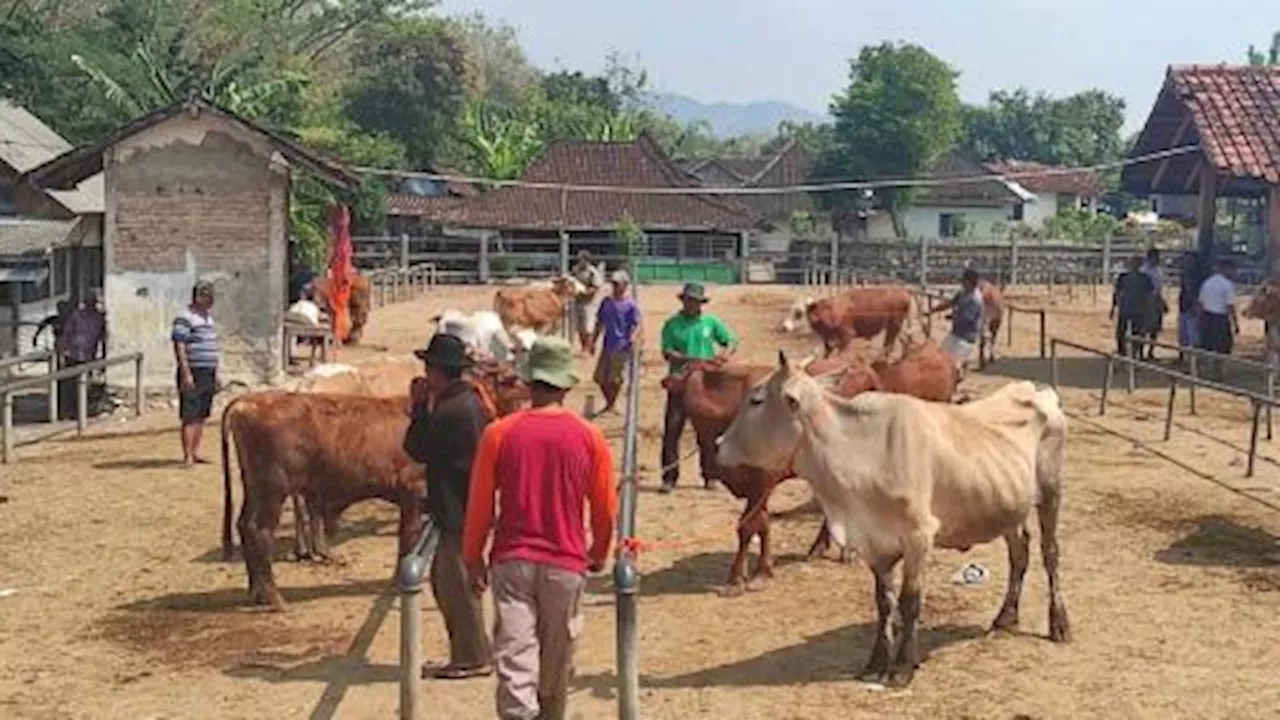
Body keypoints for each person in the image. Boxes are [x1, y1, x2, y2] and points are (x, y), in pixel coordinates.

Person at [462, 337, 617, 720]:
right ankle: (551, 712)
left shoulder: (498, 433)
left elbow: (480, 505)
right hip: (565, 559)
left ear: (529, 384)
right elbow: (603, 508)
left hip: (512, 558)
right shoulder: (590, 437)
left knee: (515, 655)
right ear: (565, 386)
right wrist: (598, 551)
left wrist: (472, 556)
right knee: (558, 654)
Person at [402, 333, 494, 680]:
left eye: (429, 368)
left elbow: (417, 448)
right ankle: (475, 650)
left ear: (440, 372)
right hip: (466, 504)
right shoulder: (467, 404)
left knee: (453, 584)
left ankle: (471, 657)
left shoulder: (449, 411)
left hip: (456, 507)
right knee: (454, 582)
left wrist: (418, 409)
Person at [658, 282, 737, 494]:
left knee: (708, 431)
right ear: (683, 301)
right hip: (681, 381)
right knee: (672, 429)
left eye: (697, 301)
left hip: (706, 382)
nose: (693, 305)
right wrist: (685, 358)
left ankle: (711, 475)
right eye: (690, 301)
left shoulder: (710, 323)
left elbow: (729, 340)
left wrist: (725, 354)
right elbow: (666, 351)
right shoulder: (672, 325)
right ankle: (669, 476)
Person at [172, 281, 219, 465]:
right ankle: (188, 455)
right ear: (199, 297)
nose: (211, 302)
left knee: (202, 413)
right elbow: (180, 345)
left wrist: (216, 372)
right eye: (208, 297)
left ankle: (196, 450)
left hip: (208, 370)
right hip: (194, 370)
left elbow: (211, 346)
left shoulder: (207, 318)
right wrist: (186, 373)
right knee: (190, 414)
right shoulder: (185, 317)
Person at [590, 270, 641, 416]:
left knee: (615, 378)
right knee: (600, 377)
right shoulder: (606, 302)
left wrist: (633, 337)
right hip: (607, 344)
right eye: (613, 283)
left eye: (617, 284)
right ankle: (609, 403)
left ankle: (611, 404)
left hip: (622, 345)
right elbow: (600, 322)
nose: (614, 286)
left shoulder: (630, 305)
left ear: (625, 285)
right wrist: (593, 341)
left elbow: (636, 324)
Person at [925, 268, 985, 381]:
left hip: (966, 338)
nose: (962, 283)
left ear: (970, 282)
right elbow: (949, 303)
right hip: (955, 334)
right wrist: (932, 310)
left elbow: (967, 319)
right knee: (941, 358)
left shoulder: (975, 300)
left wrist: (951, 316)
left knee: (953, 366)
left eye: (964, 281)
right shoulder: (962, 293)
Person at [1197, 257, 1238, 380]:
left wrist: (1200, 319)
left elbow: (1201, 303)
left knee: (1207, 344)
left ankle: (1204, 371)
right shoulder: (1227, 285)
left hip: (1207, 316)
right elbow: (1230, 306)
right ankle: (1217, 372)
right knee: (1223, 346)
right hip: (1220, 318)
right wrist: (1235, 323)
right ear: (1226, 269)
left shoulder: (1207, 282)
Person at [1110, 256, 1155, 358]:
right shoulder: (1124, 277)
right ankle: (1123, 351)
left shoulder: (1144, 278)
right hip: (1127, 308)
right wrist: (1113, 307)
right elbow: (1117, 293)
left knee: (1137, 332)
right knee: (1122, 331)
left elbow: (1149, 296)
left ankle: (1136, 352)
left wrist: (1148, 309)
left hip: (1137, 309)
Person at [569, 250, 603, 355]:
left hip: (589, 302)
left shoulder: (592, 272)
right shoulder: (575, 270)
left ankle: (588, 347)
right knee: (580, 327)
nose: (580, 262)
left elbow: (596, 287)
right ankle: (584, 346)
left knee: (588, 327)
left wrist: (585, 292)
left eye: (582, 260)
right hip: (577, 301)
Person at [1177, 251, 1206, 358]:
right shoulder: (1184, 274)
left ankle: (1195, 358)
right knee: (1183, 334)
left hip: (1193, 307)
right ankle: (1182, 356)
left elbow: (1195, 292)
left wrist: (1196, 305)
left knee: (1193, 334)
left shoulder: (1198, 276)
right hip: (1184, 306)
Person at [1140, 248, 1167, 360]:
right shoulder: (1144, 270)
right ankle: (1141, 352)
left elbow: (1159, 287)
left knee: (1155, 328)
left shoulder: (1158, 271)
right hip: (1145, 300)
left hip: (1155, 299)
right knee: (1144, 327)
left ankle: (1150, 351)